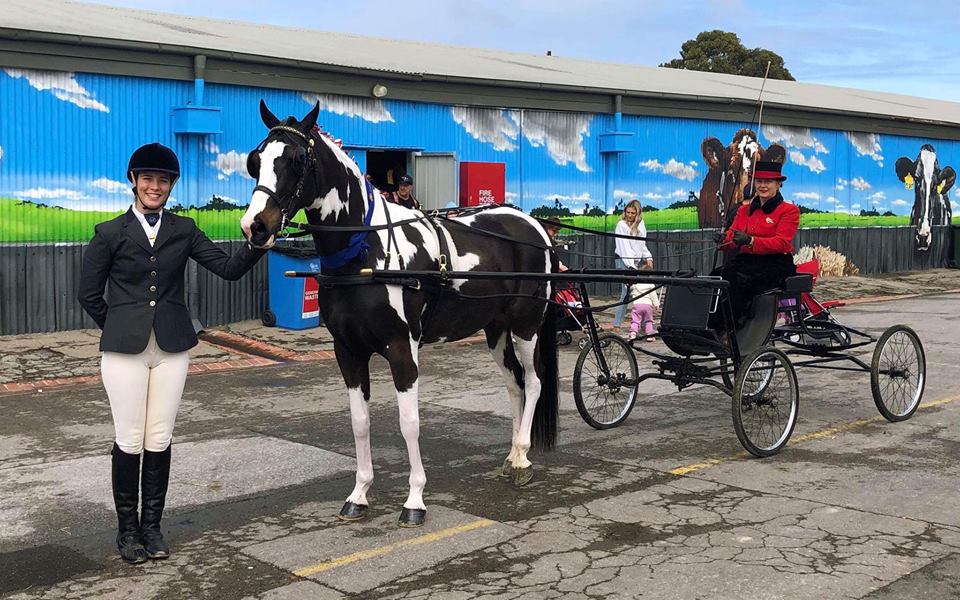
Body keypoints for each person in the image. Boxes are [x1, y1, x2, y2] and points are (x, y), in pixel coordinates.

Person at [77, 143, 265, 564]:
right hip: (123, 352)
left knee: (159, 438)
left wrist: (257, 243)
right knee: (129, 439)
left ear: (171, 186)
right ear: (134, 182)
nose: (154, 187)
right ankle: (127, 533)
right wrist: (121, 325)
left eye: (163, 181)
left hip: (172, 348)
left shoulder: (184, 229)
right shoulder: (108, 232)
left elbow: (229, 269)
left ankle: (153, 529)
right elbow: (88, 294)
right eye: (147, 179)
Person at [714, 160, 799, 330]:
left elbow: (782, 243)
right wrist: (723, 240)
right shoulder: (744, 210)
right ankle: (711, 325)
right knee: (715, 277)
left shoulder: (788, 210)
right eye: (759, 181)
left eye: (768, 182)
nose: (763, 185)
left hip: (775, 264)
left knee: (735, 281)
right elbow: (733, 235)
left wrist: (751, 241)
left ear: (778, 184)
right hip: (747, 261)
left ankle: (733, 328)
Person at [613, 200, 654, 329]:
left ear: (637, 213)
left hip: (634, 262)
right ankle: (617, 324)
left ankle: (642, 324)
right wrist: (631, 266)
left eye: (632, 213)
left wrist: (648, 257)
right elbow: (624, 246)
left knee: (639, 292)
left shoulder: (641, 225)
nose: (629, 215)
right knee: (626, 293)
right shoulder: (621, 225)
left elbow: (641, 244)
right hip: (624, 261)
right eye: (628, 212)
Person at [628, 265, 660, 342]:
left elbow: (630, 289)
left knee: (635, 320)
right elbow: (653, 295)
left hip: (637, 304)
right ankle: (649, 335)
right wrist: (656, 304)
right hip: (647, 304)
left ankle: (633, 334)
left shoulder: (636, 284)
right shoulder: (650, 284)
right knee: (649, 320)